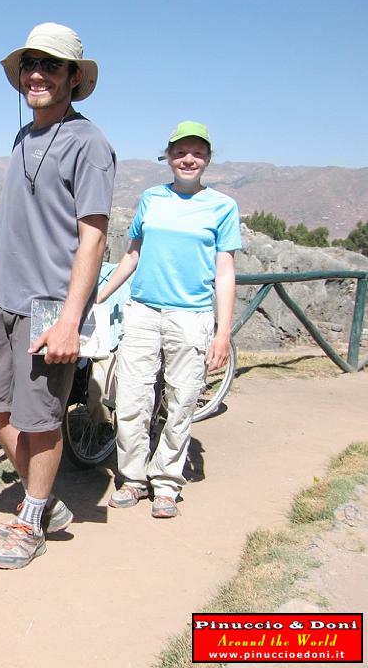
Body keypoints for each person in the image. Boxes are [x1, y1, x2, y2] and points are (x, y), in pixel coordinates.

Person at [0, 22, 115, 569]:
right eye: (30, 63)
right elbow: (15, 223)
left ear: (73, 77)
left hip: (49, 304)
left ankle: (30, 521)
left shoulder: (89, 143)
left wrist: (72, 318)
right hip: (4, 296)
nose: (37, 74)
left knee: (42, 417)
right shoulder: (22, 138)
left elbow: (93, 236)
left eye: (51, 65)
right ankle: (43, 497)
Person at [97, 121, 240, 518]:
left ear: (207, 158)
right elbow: (133, 255)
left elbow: (225, 270)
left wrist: (222, 331)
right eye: (180, 152)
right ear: (169, 157)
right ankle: (132, 478)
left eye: (196, 152)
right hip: (142, 311)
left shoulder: (223, 206)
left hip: (192, 316)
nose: (188, 159)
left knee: (181, 401)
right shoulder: (151, 199)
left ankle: (165, 484)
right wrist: (99, 296)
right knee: (130, 399)